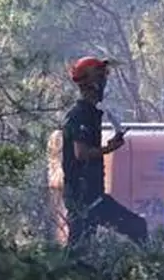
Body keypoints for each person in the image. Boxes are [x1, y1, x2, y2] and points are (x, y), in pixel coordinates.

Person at [61, 56, 148, 248]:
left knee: (80, 252)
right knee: (137, 227)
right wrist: (110, 148)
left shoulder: (90, 112)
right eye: (102, 77)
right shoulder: (81, 114)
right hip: (86, 198)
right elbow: (81, 153)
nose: (105, 82)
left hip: (90, 196)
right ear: (92, 83)